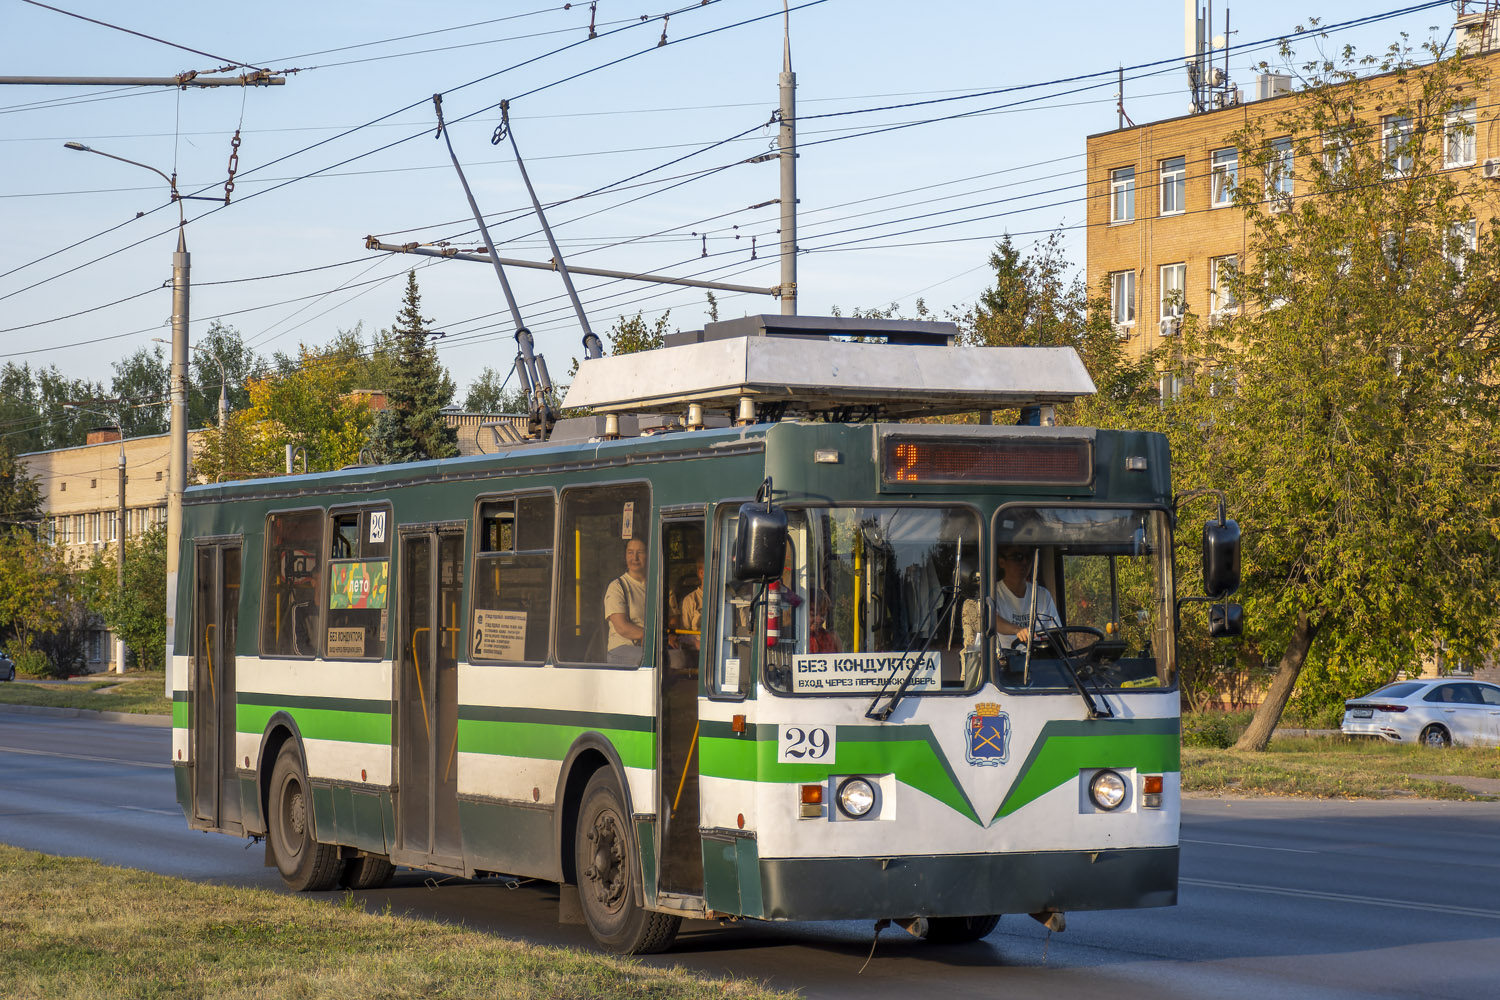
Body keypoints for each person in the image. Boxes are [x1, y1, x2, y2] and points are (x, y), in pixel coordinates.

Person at [993, 546, 1059, 649]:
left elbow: (1055, 633)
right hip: (1004, 661)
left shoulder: (1042, 594)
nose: (1024, 562)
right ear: (1002, 562)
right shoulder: (993, 593)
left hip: (1038, 660)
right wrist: (1018, 630)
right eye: (1017, 557)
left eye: (1028, 557)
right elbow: (991, 620)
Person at [604, 537, 648, 665]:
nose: (635, 558)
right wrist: (648, 637)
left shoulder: (658, 586)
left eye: (640, 552)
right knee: (658, 660)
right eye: (630, 552)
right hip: (622, 650)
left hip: (652, 646)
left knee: (680, 658)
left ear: (648, 555)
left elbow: (673, 618)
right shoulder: (617, 586)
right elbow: (622, 627)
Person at [677, 559, 704, 652]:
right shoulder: (690, 601)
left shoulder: (729, 600)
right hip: (698, 653)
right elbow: (682, 635)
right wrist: (695, 643)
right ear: (701, 573)